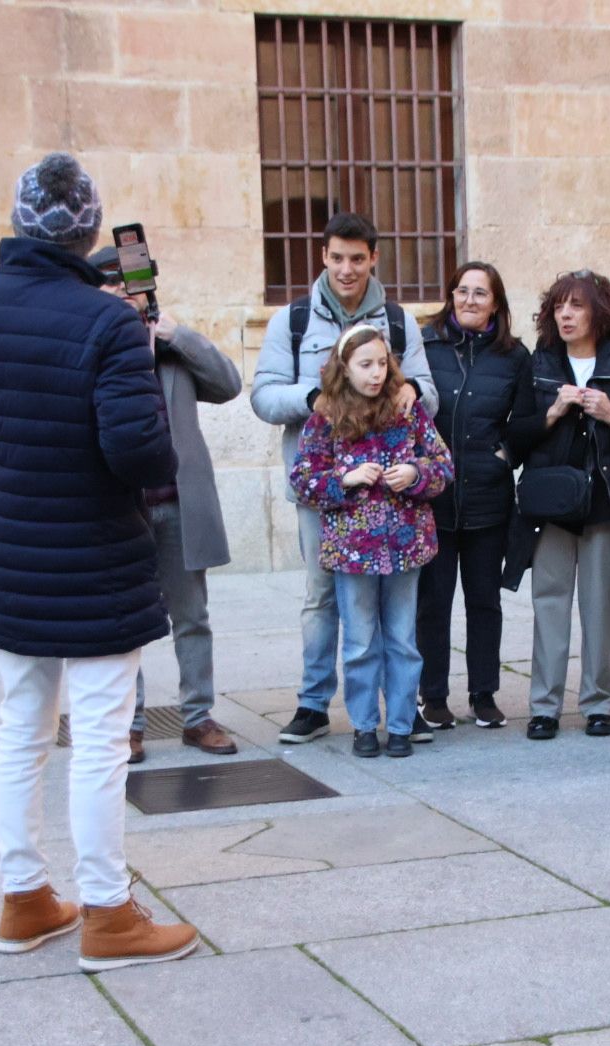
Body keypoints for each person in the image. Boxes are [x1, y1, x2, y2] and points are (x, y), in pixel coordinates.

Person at [0, 153, 197, 971]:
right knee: (98, 738)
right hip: (94, 556)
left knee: (20, 726)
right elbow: (138, 451)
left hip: (15, 549)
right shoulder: (107, 321)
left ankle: (23, 900)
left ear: (21, 221)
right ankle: (108, 914)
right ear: (90, 229)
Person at [251, 213, 437, 746]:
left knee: (393, 614)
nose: (347, 268)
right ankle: (313, 703)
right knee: (322, 598)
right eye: (337, 258)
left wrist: (414, 394)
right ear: (324, 256)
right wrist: (313, 398)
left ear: (373, 258)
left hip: (393, 500)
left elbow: (426, 391)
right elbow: (263, 395)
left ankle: (401, 710)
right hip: (327, 490)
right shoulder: (293, 320)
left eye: (358, 258)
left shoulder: (398, 322)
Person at [90, 246, 241, 765]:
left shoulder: (173, 344)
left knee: (192, 615)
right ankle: (129, 725)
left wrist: (179, 334)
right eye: (114, 284)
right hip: (119, 506)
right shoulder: (91, 346)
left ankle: (197, 717)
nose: (127, 293)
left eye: (134, 283)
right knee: (125, 621)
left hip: (177, 500)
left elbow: (228, 383)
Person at [503, 270, 610, 740]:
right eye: (558, 307)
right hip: (551, 504)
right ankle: (544, 706)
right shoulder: (539, 364)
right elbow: (515, 436)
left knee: (598, 606)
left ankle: (598, 704)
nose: (565, 315)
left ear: (599, 313)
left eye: (577, 306)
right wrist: (551, 413)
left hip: (605, 504)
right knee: (549, 603)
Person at [289, 325, 453, 758]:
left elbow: (442, 464)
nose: (376, 373)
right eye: (366, 365)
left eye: (382, 363)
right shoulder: (325, 416)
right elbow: (303, 478)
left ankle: (400, 724)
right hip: (352, 548)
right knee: (360, 641)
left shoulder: (407, 409)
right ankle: (364, 725)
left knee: (401, 638)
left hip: (406, 543)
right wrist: (345, 478)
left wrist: (415, 474)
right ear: (344, 367)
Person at [415, 261, 531, 730]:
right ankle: (434, 695)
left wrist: (504, 453)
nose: (468, 300)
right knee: (433, 602)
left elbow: (525, 421)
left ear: (496, 304)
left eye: (480, 293)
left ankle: (484, 693)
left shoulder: (514, 356)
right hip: (434, 498)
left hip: (488, 498)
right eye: (461, 291)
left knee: (484, 601)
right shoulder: (424, 346)